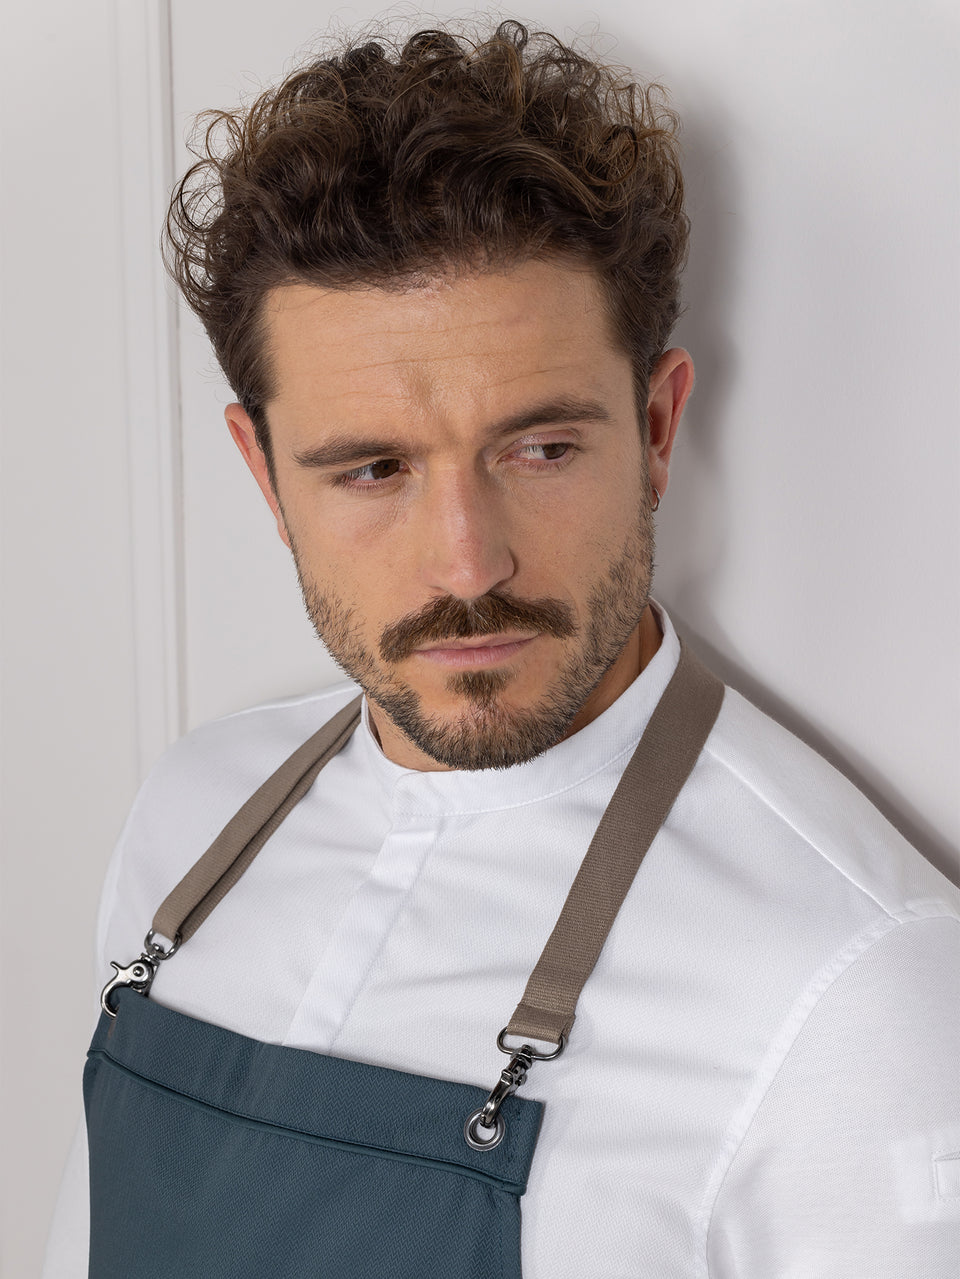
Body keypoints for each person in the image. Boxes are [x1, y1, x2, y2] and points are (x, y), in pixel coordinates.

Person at [45, 19, 959, 1279]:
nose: (468, 566)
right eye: (373, 469)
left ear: (656, 428)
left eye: (540, 449)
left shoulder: (857, 991)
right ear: (265, 475)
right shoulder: (185, 819)